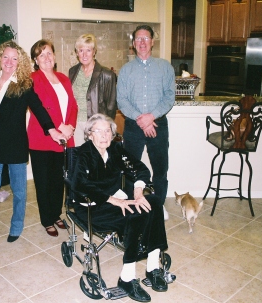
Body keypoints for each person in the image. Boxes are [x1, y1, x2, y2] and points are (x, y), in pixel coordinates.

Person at [71, 114, 171, 303]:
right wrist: (115, 200)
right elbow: (80, 185)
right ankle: (127, 277)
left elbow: (141, 169)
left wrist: (139, 191)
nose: (104, 135)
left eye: (107, 130)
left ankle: (152, 267)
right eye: (98, 131)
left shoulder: (116, 149)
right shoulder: (84, 153)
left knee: (155, 203)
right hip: (93, 206)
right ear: (90, 134)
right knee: (135, 215)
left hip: (117, 199)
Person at [0, 40, 65, 243]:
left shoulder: (24, 84)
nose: (9, 61)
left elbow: (38, 108)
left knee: (19, 191)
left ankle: (16, 226)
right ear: (0, 58)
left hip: (15, 144)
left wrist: (51, 129)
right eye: (6, 57)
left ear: (20, 62)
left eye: (14, 58)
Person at [117, 25, 175, 218]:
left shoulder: (165, 67)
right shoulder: (125, 70)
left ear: (152, 42)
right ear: (133, 44)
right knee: (129, 168)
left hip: (158, 124)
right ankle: (131, 204)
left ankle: (158, 205)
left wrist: (151, 117)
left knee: (160, 168)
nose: (142, 42)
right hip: (133, 127)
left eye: (146, 38)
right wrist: (141, 120)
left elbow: (169, 97)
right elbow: (122, 100)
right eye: (138, 39)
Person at [28, 39, 78, 237]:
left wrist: (70, 126)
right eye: (42, 55)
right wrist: (58, 128)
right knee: (44, 181)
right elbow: (39, 108)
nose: (46, 58)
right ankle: (47, 219)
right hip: (43, 138)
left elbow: (73, 105)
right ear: (36, 60)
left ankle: (56, 214)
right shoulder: (31, 79)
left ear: (55, 56)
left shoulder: (63, 78)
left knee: (59, 180)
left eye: (49, 53)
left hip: (65, 137)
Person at [68, 34, 117, 145]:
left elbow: (111, 106)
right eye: (81, 50)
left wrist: (105, 128)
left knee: (95, 159)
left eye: (88, 50)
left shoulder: (107, 74)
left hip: (96, 126)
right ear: (76, 53)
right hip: (75, 125)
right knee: (79, 159)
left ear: (94, 51)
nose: (84, 55)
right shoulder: (72, 72)